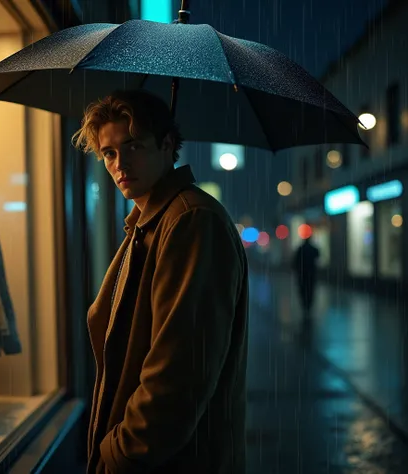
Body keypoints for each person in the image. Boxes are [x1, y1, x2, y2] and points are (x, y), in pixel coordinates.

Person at [73, 89, 249, 474]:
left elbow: (178, 374)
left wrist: (120, 454)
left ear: (168, 145)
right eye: (109, 153)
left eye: (133, 146)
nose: (120, 163)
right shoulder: (149, 223)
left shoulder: (190, 221)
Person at [292, 235, 320, 320]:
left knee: (303, 289)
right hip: (311, 273)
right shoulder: (313, 249)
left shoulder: (300, 249)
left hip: (302, 274)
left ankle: (305, 304)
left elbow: (295, 261)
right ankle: (308, 304)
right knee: (310, 289)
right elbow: (318, 256)